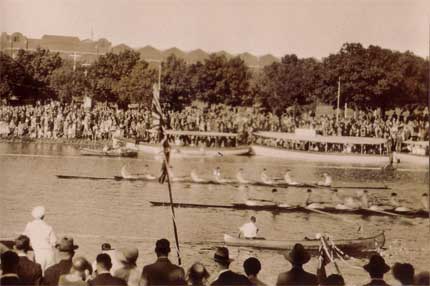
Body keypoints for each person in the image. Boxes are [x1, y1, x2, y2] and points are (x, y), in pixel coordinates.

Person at [23, 206, 57, 272]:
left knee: (38, 276)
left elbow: (23, 239)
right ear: (43, 216)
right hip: (49, 254)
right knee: (50, 277)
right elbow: (54, 243)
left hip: (37, 254)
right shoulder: (48, 227)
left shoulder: (29, 226)